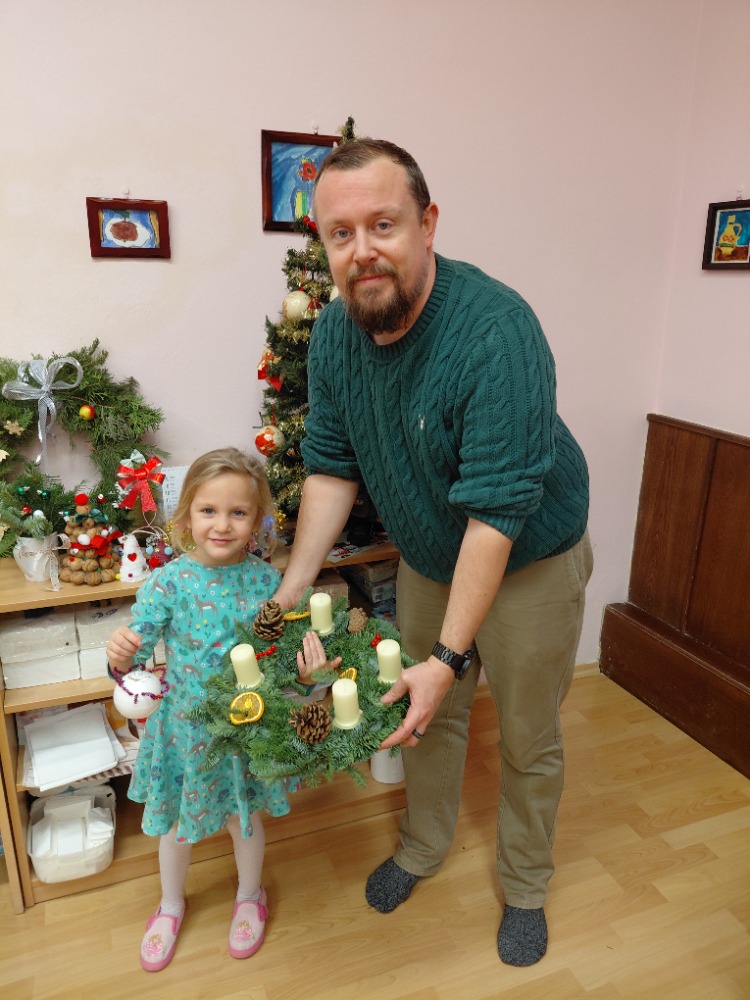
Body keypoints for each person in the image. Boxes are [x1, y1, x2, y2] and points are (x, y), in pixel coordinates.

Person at [272, 138, 593, 968]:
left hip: (528, 552)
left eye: (383, 224)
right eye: (341, 233)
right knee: (420, 715)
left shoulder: (496, 331)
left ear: (428, 223)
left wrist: (451, 654)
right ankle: (422, 846)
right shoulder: (335, 334)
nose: (362, 250)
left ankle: (525, 883)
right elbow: (330, 466)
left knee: (527, 734)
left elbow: (496, 515)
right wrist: (292, 585)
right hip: (430, 552)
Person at [106, 447, 334, 972]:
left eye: (238, 512)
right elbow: (133, 660)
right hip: (183, 731)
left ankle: (250, 895)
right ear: (186, 515)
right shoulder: (167, 583)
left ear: (257, 519)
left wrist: (305, 675)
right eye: (209, 510)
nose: (223, 524)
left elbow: (281, 660)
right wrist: (120, 654)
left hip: (245, 731)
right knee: (173, 824)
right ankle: (170, 904)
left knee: (243, 817)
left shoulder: (267, 584)